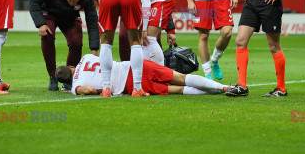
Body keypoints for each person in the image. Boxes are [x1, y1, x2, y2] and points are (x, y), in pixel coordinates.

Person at [29, 0, 99, 91]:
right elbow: (33, 1)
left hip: (71, 18)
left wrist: (94, 49)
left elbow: (92, 22)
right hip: (50, 14)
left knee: (76, 42)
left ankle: (69, 78)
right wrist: (40, 23)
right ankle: (52, 76)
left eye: (75, 0)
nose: (72, 3)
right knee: (47, 36)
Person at [55, 54, 229, 96]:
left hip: (129, 84)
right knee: (181, 78)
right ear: (70, 66)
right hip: (133, 65)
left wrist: (76, 90)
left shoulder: (76, 84)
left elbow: (89, 89)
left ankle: (220, 91)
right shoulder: (85, 57)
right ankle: (224, 87)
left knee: (176, 90)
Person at [94, 0, 147, 97]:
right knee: (135, 41)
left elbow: (99, 1)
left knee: (105, 42)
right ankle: (137, 88)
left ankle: (106, 88)